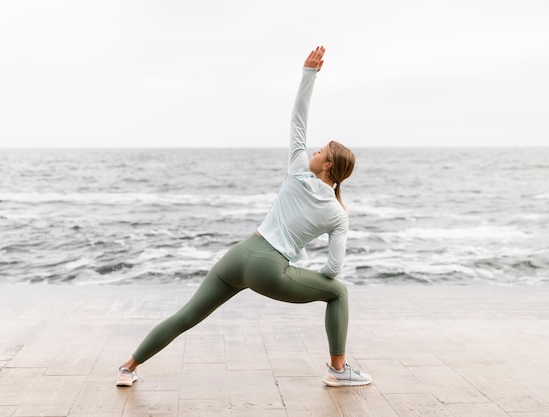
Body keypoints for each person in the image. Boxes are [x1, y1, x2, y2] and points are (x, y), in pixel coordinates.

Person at [116, 46, 372, 388]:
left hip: (239, 254)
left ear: (326, 165)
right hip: (270, 268)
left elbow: (298, 117)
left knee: (187, 316)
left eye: (321, 151)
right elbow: (332, 270)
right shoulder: (338, 215)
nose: (314, 151)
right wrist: (300, 273)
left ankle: (127, 368)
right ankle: (338, 371)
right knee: (337, 292)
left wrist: (308, 73)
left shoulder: (297, 170)